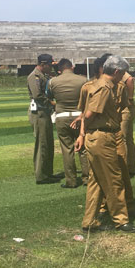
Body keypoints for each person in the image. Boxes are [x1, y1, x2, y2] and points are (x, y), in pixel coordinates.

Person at [77, 55, 135, 233]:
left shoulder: (98, 85)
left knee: (96, 182)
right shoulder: (104, 88)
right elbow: (88, 115)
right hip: (102, 137)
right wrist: (83, 132)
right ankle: (121, 220)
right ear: (117, 72)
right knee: (114, 180)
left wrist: (83, 134)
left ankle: (89, 220)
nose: (124, 77)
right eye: (123, 73)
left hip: (98, 137)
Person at [46, 58, 89, 188]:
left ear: (60, 69)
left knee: (67, 149)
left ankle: (71, 180)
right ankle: (87, 178)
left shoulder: (52, 81)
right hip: (79, 116)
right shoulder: (83, 80)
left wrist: (57, 105)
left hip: (62, 116)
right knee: (83, 149)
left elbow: (48, 97)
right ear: (72, 67)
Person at [27, 53, 56, 184]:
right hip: (39, 112)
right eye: (50, 65)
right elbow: (38, 95)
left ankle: (48, 172)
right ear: (43, 64)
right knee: (42, 144)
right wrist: (52, 103)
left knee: (48, 143)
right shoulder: (35, 76)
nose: (51, 68)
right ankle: (41, 175)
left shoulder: (44, 76)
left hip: (44, 112)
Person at [120, 70, 135, 175]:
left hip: (125, 109)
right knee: (128, 139)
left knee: (122, 139)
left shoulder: (123, 74)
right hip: (128, 109)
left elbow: (129, 79)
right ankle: (131, 167)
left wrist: (130, 98)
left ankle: (124, 168)